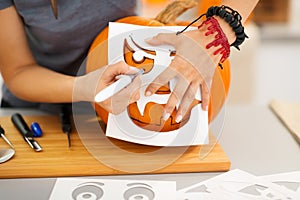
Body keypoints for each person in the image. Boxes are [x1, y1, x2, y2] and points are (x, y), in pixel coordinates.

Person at [0, 0, 258, 121]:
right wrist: (85, 88)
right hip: (37, 111)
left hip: (119, 115)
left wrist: (216, 34)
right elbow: (18, 71)